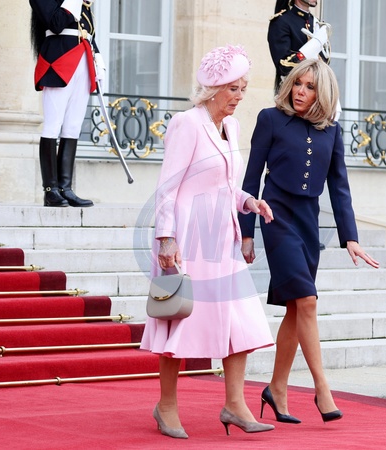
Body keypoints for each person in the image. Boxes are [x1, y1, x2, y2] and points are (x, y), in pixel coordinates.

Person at [140, 44, 276, 439]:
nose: (239, 96)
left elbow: (226, 185)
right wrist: (166, 238)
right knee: (179, 319)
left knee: (240, 322)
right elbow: (168, 186)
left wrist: (249, 202)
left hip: (223, 238)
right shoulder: (187, 123)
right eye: (233, 89)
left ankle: (235, 405)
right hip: (188, 235)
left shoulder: (231, 128)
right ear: (213, 88)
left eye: (243, 89)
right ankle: (166, 406)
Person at [239, 59, 380, 424]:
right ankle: (322, 389)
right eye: (297, 84)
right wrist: (246, 233)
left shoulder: (331, 131)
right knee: (307, 300)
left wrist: (350, 237)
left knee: (296, 308)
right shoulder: (270, 119)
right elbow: (251, 177)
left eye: (310, 87)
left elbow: (339, 186)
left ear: (323, 93)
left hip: (308, 224)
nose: (300, 91)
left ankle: (277, 389)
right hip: (275, 218)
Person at [30, 0, 106, 208]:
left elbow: (88, 33)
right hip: (59, 62)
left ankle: (65, 188)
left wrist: (98, 61)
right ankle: (50, 190)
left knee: (73, 126)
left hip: (83, 59)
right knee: (52, 125)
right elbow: (56, 24)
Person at [267, 0, 331, 93]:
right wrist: (313, 45)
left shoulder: (316, 23)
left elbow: (325, 62)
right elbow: (284, 66)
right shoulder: (281, 21)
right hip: (295, 91)